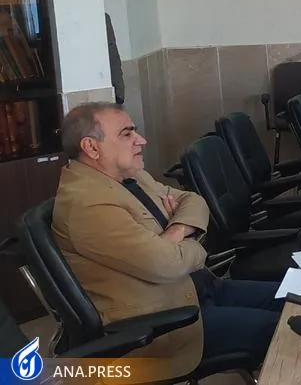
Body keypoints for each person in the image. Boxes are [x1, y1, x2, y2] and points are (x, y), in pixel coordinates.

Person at [52, 102, 282, 381]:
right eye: (127, 133)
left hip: (198, 289)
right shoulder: (86, 205)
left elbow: (193, 199)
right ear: (91, 147)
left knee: (299, 300)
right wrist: (195, 237)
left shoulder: (131, 176)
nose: (141, 140)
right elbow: (167, 265)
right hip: (170, 324)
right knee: (287, 329)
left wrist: (175, 230)